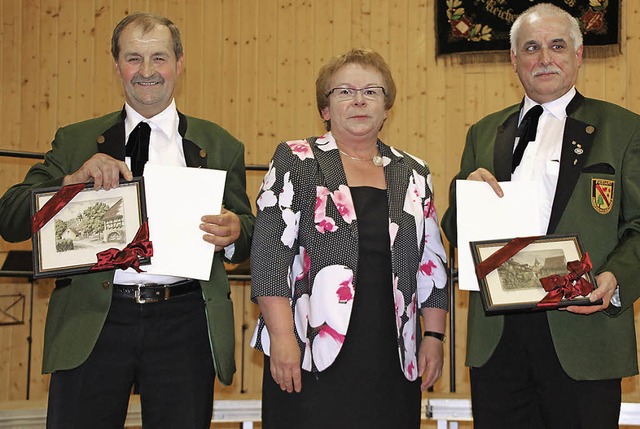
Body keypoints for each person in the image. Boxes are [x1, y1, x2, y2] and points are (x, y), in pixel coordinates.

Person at [0, 12, 254, 428]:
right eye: (134, 58)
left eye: (159, 58)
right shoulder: (76, 140)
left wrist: (235, 232)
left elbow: (248, 229)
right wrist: (70, 182)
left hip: (185, 321)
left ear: (180, 62)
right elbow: (9, 217)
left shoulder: (221, 144)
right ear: (116, 65)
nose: (147, 71)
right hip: (94, 320)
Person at [441, 4, 640, 429]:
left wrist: (615, 279)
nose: (544, 58)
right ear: (515, 60)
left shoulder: (624, 129)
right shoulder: (483, 132)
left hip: (582, 332)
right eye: (531, 47)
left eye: (557, 46)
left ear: (578, 54)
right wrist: (466, 199)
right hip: (499, 339)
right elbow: (455, 230)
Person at [249, 48, 448, 429]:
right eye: (344, 91)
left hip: (392, 355)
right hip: (308, 349)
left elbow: (431, 264)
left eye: (371, 91)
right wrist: (282, 338)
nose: (359, 100)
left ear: (386, 107)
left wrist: (434, 336)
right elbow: (270, 255)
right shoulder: (297, 159)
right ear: (325, 108)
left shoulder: (414, 172)